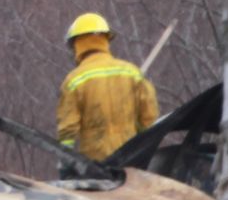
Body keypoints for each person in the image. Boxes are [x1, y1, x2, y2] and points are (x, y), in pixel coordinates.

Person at [56, 13, 159, 161]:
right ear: (106, 40)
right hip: (131, 161)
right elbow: (149, 117)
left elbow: (67, 130)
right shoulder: (132, 73)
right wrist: (140, 144)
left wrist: (65, 162)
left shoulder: (74, 80)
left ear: (76, 44)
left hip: (96, 165)